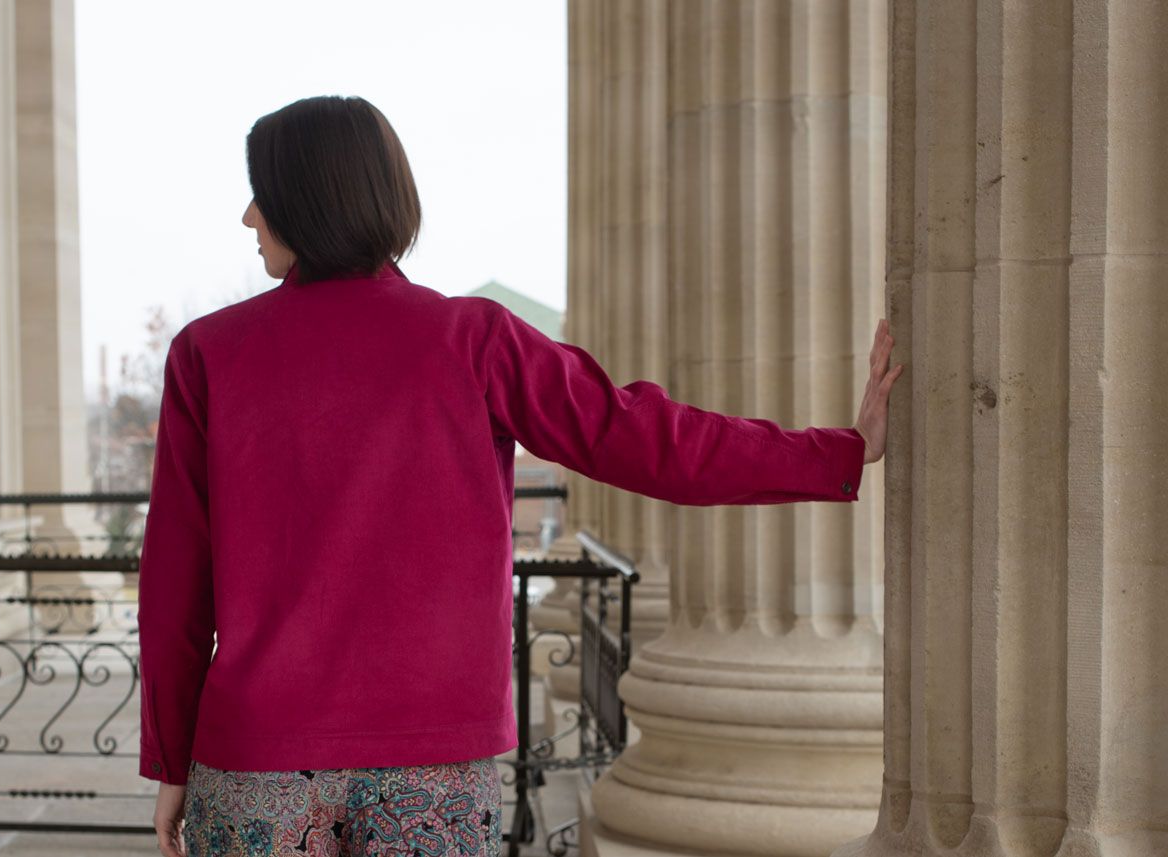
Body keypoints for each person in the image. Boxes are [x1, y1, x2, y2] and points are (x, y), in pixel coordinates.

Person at [138, 95, 901, 857]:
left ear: (302, 199)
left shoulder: (210, 354)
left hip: (258, 752)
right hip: (436, 755)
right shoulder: (472, 340)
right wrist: (837, 450)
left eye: (260, 193)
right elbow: (643, 437)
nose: (247, 215)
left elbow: (176, 580)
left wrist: (172, 757)